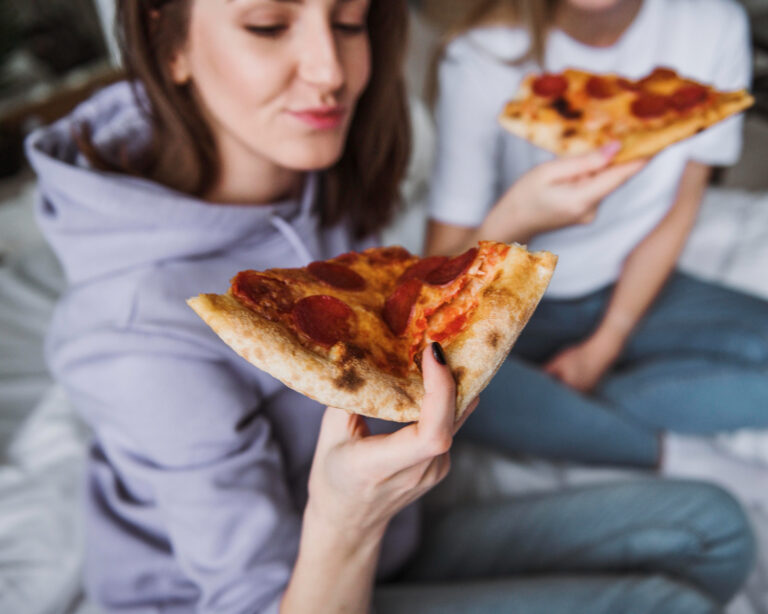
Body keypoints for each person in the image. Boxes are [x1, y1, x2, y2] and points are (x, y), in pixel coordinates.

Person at [26, 0, 754, 612]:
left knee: (715, 526)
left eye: (349, 21)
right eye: (269, 25)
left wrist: (518, 218)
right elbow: (260, 597)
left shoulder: (301, 164)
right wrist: (347, 521)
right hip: (301, 586)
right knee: (675, 602)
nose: (331, 72)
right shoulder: (133, 332)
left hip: (389, 534)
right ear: (167, 41)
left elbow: (401, 327)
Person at [427, 0, 768, 493]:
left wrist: (606, 344)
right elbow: (437, 278)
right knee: (441, 389)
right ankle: (660, 450)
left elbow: (681, 205)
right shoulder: (480, 54)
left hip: (637, 284)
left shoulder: (714, 25)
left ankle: (585, 412)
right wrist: (522, 219)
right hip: (510, 301)